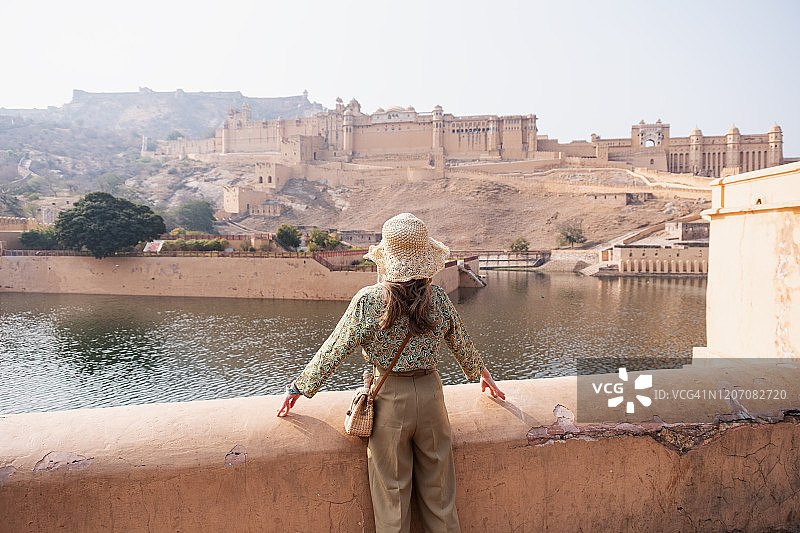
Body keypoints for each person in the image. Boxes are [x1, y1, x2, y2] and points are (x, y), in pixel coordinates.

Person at [277, 212, 505, 533]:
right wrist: (481, 372)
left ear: (387, 258)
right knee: (440, 496)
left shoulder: (369, 302)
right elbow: (461, 342)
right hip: (431, 398)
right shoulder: (437, 299)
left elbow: (335, 349)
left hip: (389, 401)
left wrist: (299, 388)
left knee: (392, 499)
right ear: (424, 259)